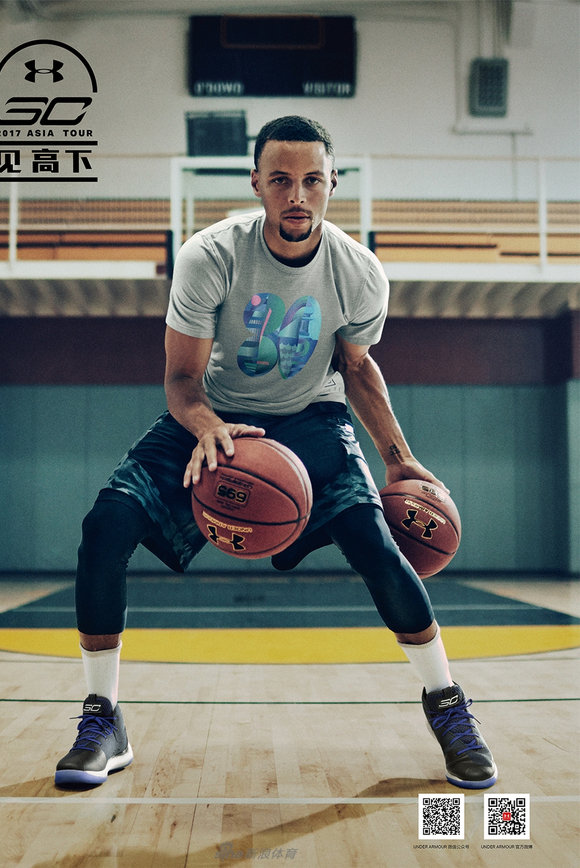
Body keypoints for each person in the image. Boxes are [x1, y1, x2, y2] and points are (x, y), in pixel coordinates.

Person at [55, 116, 497, 791]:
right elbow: (181, 379)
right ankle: (102, 718)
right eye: (282, 180)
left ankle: (448, 705)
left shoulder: (359, 272)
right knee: (104, 526)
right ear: (256, 183)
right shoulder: (210, 255)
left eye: (312, 180)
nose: (297, 195)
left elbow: (357, 366)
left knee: (375, 544)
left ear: (332, 183)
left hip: (312, 415)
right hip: (214, 412)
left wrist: (398, 457)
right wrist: (207, 425)